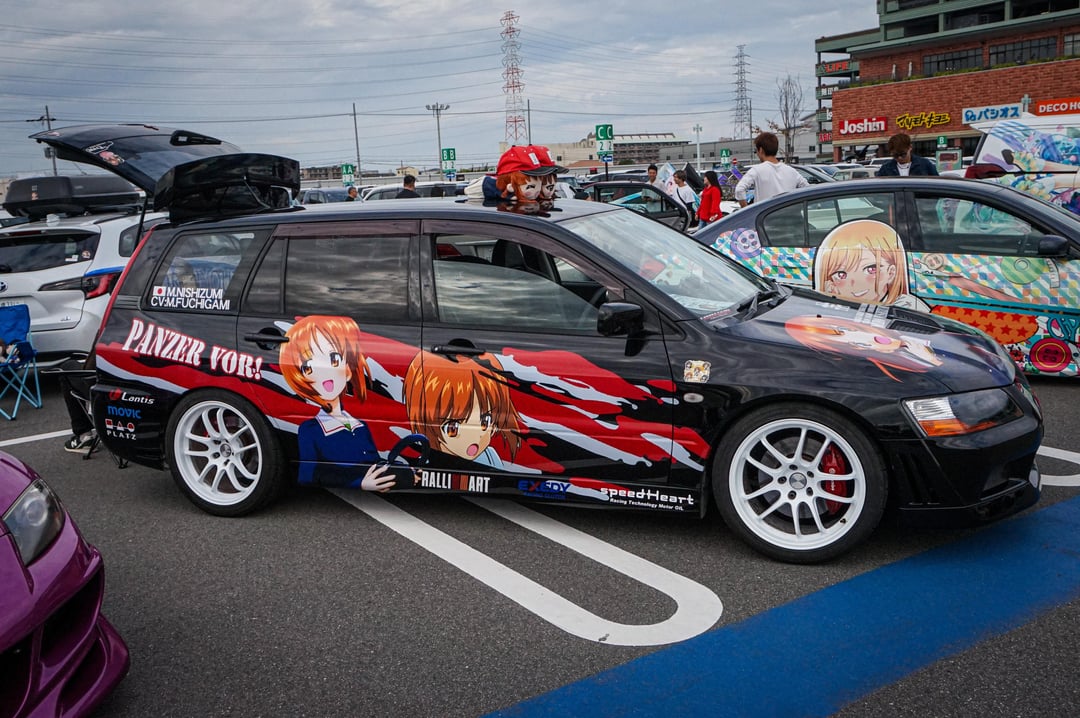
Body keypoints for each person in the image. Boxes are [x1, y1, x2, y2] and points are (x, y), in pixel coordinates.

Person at [735, 132, 809, 207]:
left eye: (756, 150)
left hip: (766, 213)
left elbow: (739, 190)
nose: (757, 154)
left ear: (761, 150)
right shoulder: (792, 171)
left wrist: (747, 210)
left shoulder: (756, 170)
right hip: (790, 213)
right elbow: (808, 188)